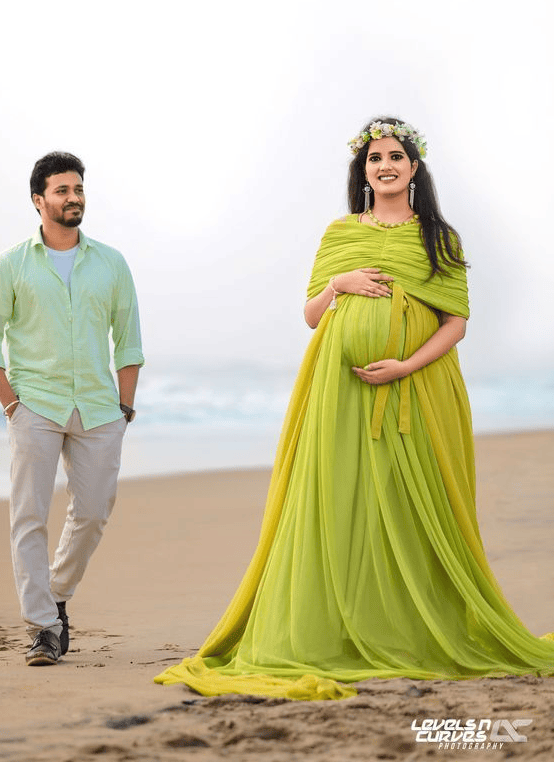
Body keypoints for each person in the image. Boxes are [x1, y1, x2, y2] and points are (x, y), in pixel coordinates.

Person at [156, 117, 554, 700]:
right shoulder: (340, 233)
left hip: (418, 389)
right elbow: (312, 316)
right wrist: (338, 283)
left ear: (414, 168)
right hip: (336, 391)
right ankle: (340, 625)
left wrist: (405, 365)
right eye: (374, 158)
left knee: (412, 504)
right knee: (340, 499)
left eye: (396, 156)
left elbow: (457, 323)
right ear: (362, 170)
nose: (385, 165)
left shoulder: (439, 237)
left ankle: (412, 627)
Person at [0, 152, 144, 666]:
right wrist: (13, 407)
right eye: (62, 191)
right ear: (38, 200)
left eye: (78, 189)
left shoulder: (111, 263)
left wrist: (125, 409)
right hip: (36, 406)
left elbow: (129, 342)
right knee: (29, 517)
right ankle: (44, 628)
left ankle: (56, 594)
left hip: (98, 408)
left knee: (93, 512)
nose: (73, 198)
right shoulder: (10, 265)